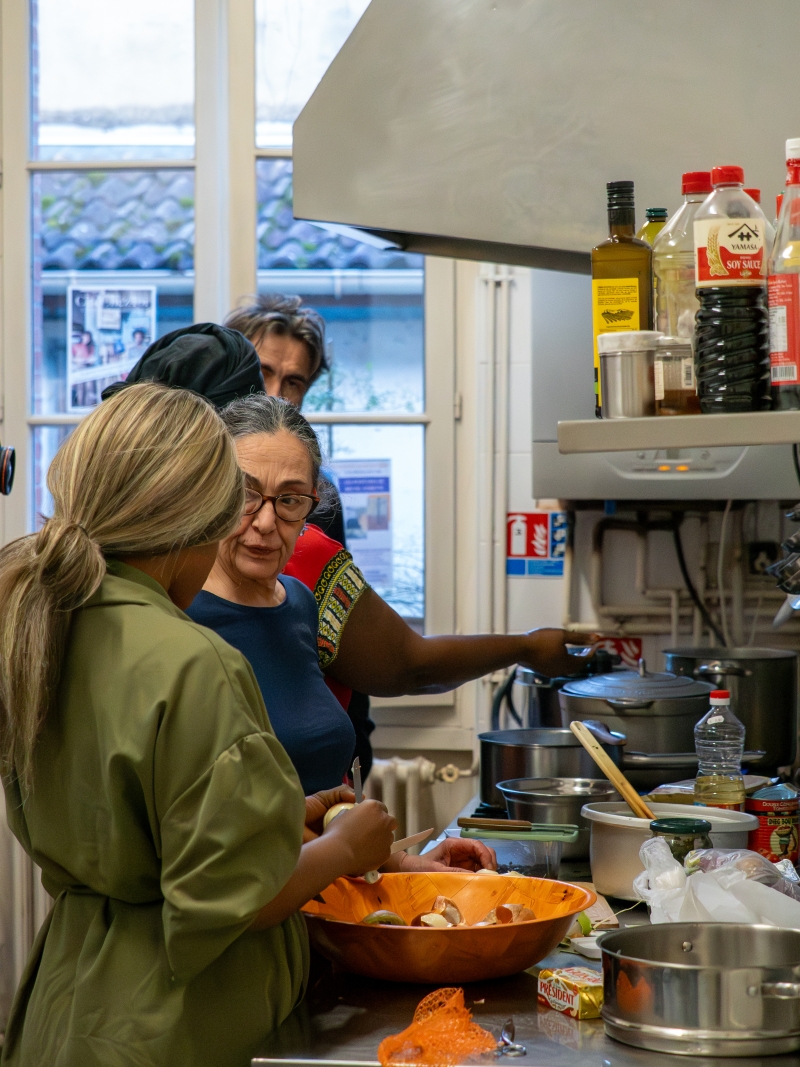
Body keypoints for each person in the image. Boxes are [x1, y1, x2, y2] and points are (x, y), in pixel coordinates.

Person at [0, 383, 398, 1067]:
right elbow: (233, 902)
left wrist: (278, 818)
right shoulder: (193, 661)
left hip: (67, 1000)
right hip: (169, 1021)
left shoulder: (45, 627)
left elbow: (144, 829)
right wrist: (344, 848)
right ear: (194, 520)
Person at [224, 297, 594, 722]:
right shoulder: (184, 550)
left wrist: (356, 737)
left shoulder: (317, 520)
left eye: (293, 382)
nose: (276, 394)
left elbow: (372, 651)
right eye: (263, 372)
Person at [185, 394, 494, 875]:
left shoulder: (299, 603)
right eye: (245, 495)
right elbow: (209, 835)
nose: (265, 522)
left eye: (289, 501)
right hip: (244, 905)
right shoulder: (182, 618)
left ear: (312, 505)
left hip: (329, 899)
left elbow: (316, 815)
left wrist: (404, 864)